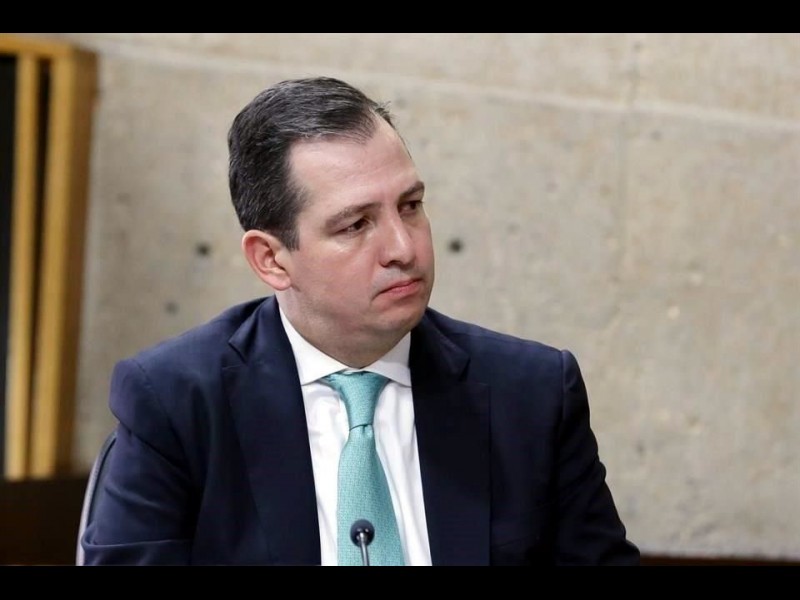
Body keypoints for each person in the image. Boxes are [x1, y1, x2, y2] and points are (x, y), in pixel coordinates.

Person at [80, 76, 640, 566]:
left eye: (410, 206)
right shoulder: (177, 404)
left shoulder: (533, 395)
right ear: (271, 259)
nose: (403, 248)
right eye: (355, 225)